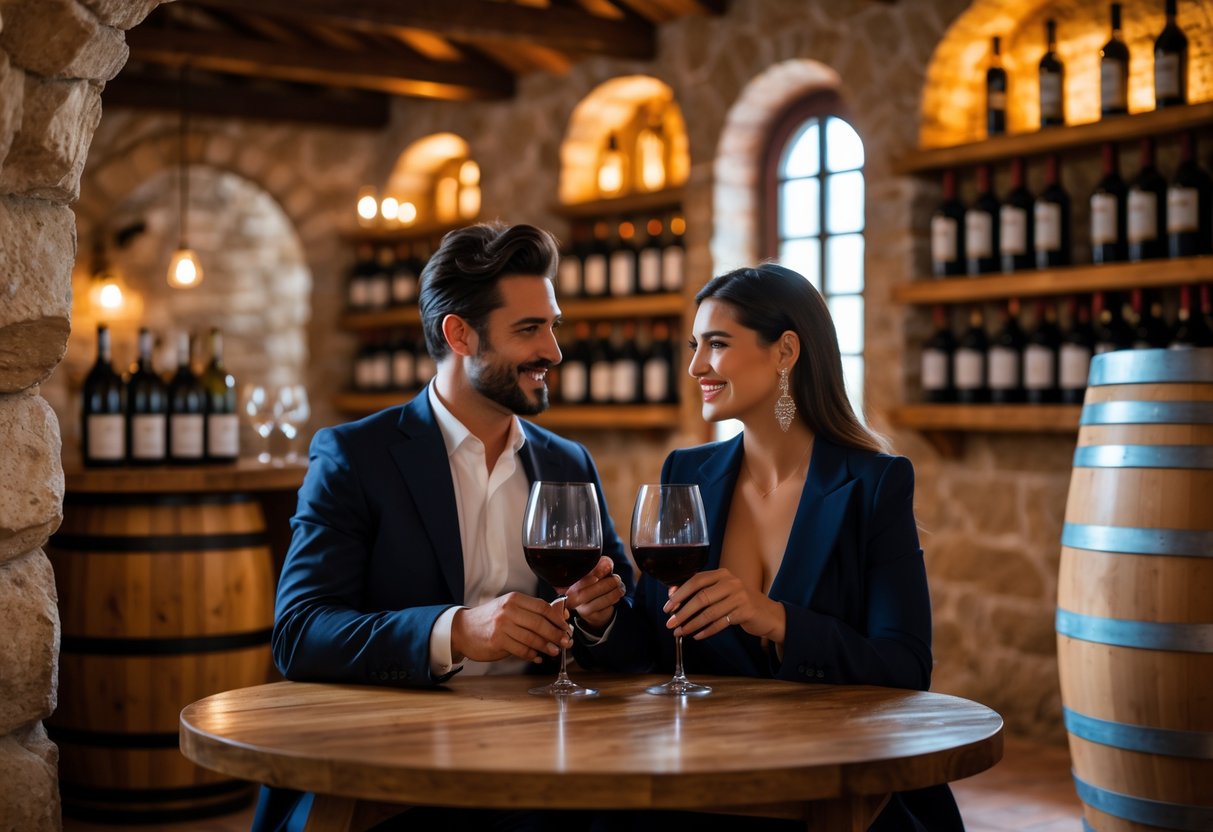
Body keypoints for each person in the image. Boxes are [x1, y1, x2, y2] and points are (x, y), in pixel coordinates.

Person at [253, 223, 632, 832]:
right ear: (460, 334)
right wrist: (455, 632)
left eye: (553, 325)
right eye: (530, 329)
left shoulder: (567, 463)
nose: (554, 351)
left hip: (543, 763)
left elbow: (625, 621)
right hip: (391, 766)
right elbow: (300, 634)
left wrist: (599, 616)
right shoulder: (355, 456)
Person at [580, 263, 964, 831]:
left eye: (717, 343)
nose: (695, 366)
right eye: (695, 345)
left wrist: (779, 620)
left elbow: (906, 668)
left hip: (836, 786)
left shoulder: (875, 484)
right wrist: (603, 618)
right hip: (705, 779)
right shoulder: (686, 472)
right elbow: (657, 652)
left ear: (785, 351)